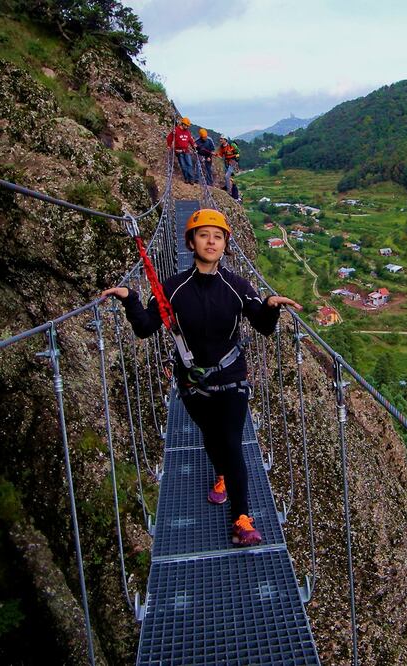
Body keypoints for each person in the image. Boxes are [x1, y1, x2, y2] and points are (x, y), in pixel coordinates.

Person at [100, 209, 302, 546]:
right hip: (193, 382)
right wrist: (130, 299)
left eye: (218, 236)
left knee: (233, 443)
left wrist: (269, 306)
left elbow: (263, 326)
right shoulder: (173, 288)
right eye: (204, 235)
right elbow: (145, 327)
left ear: (225, 245)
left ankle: (242, 518)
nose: (211, 241)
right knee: (211, 436)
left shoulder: (237, 286)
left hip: (232, 376)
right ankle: (220, 474)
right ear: (191, 242)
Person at [166, 117, 196, 183]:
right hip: (179, 151)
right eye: (186, 125)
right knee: (183, 166)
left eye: (188, 126)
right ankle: (186, 179)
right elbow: (169, 138)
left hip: (186, 151)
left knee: (189, 164)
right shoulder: (176, 130)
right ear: (183, 124)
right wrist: (169, 145)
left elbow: (190, 140)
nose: (187, 127)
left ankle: (191, 179)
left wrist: (194, 146)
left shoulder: (187, 132)